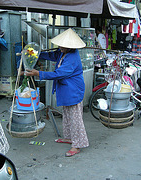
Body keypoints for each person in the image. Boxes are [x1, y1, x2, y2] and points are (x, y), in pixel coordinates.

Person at [25, 28, 89, 157]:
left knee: (75, 118)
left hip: (73, 90)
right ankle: (70, 137)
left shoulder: (72, 57)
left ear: (70, 46)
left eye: (62, 45)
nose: (59, 47)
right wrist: (34, 53)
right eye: (59, 45)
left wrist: (39, 73)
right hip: (66, 90)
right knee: (67, 115)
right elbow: (50, 55)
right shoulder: (62, 53)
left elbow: (59, 74)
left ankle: (77, 145)